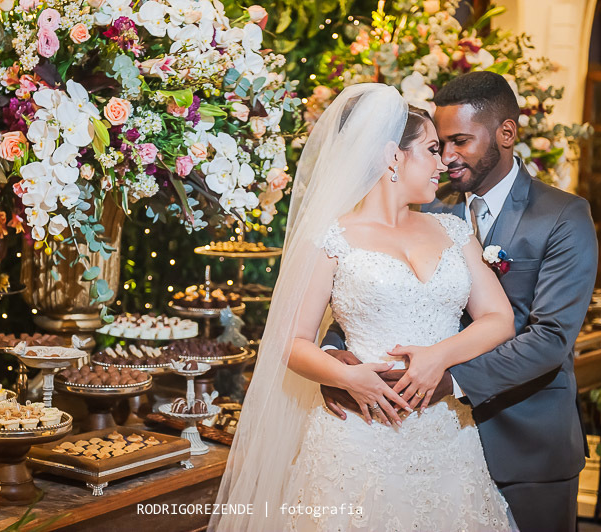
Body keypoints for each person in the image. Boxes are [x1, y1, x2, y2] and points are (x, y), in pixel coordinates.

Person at [210, 82, 518, 531]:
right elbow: (291, 342)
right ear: (394, 156)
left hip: (446, 438)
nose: (443, 162)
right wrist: (349, 376)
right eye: (431, 149)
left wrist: (439, 356)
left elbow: (500, 318)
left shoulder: (452, 230)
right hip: (357, 434)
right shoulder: (333, 237)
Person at [322, 71, 598, 532]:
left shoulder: (563, 216)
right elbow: (368, 290)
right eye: (439, 143)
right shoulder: (429, 208)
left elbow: (550, 338)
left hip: (526, 442)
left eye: (460, 141)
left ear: (506, 133)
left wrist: (448, 380)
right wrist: (338, 361)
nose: (447, 157)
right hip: (421, 440)